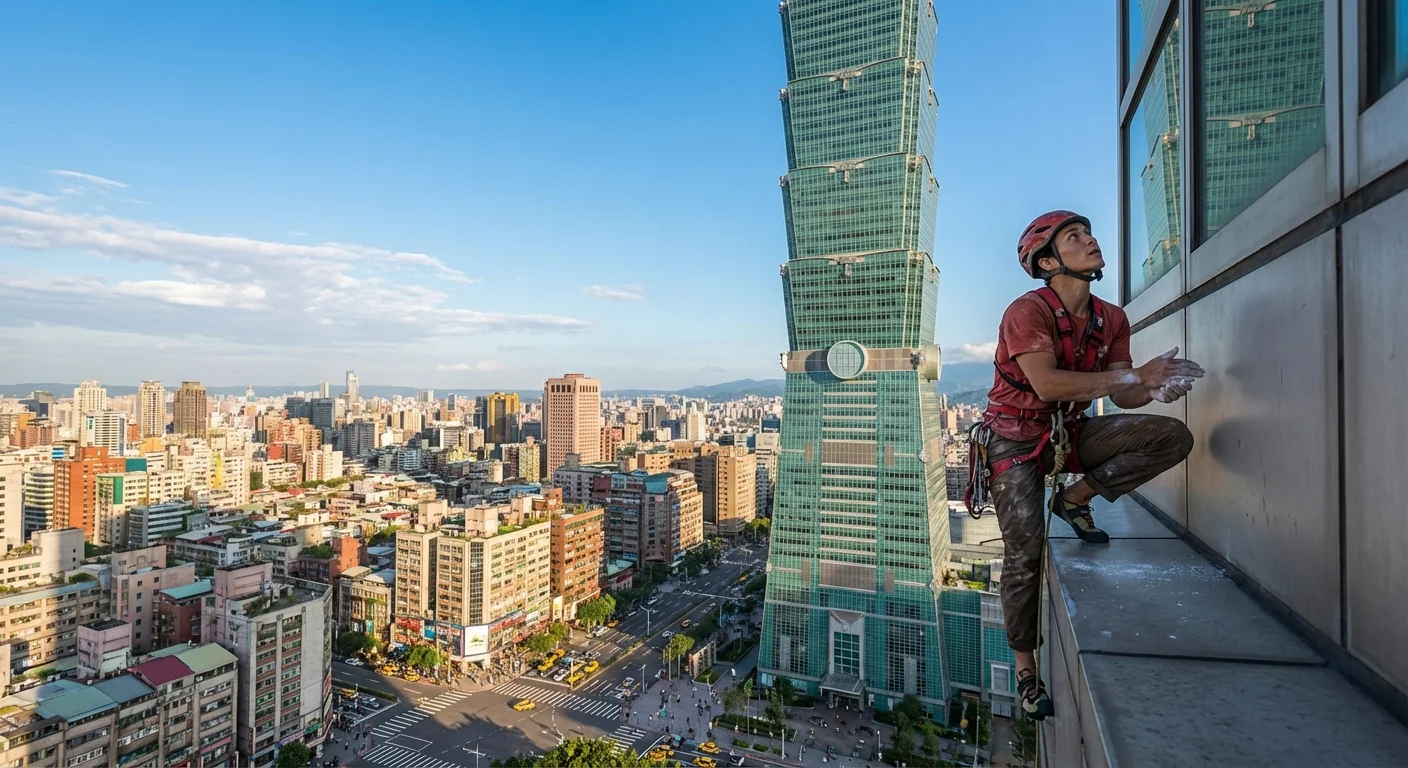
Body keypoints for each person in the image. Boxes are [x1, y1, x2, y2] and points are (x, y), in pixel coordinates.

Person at [978, 210, 1203, 720]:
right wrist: (1132, 379)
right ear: (1049, 261)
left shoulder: (1111, 319)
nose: (1091, 240)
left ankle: (1075, 498)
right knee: (1024, 548)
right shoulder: (1026, 313)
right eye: (1074, 238)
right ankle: (1025, 667)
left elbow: (1121, 397)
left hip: (1070, 434)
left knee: (1172, 437)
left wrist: (1151, 388)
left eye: (1088, 233)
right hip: (1015, 442)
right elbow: (1049, 386)